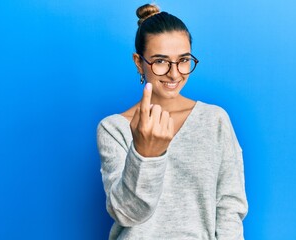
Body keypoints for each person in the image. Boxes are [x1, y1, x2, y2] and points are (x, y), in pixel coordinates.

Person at [97, 3, 248, 239]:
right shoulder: (114, 128)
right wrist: (145, 155)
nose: (175, 73)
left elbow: (230, 206)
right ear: (139, 62)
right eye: (160, 61)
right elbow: (126, 214)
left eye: (184, 60)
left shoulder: (214, 120)